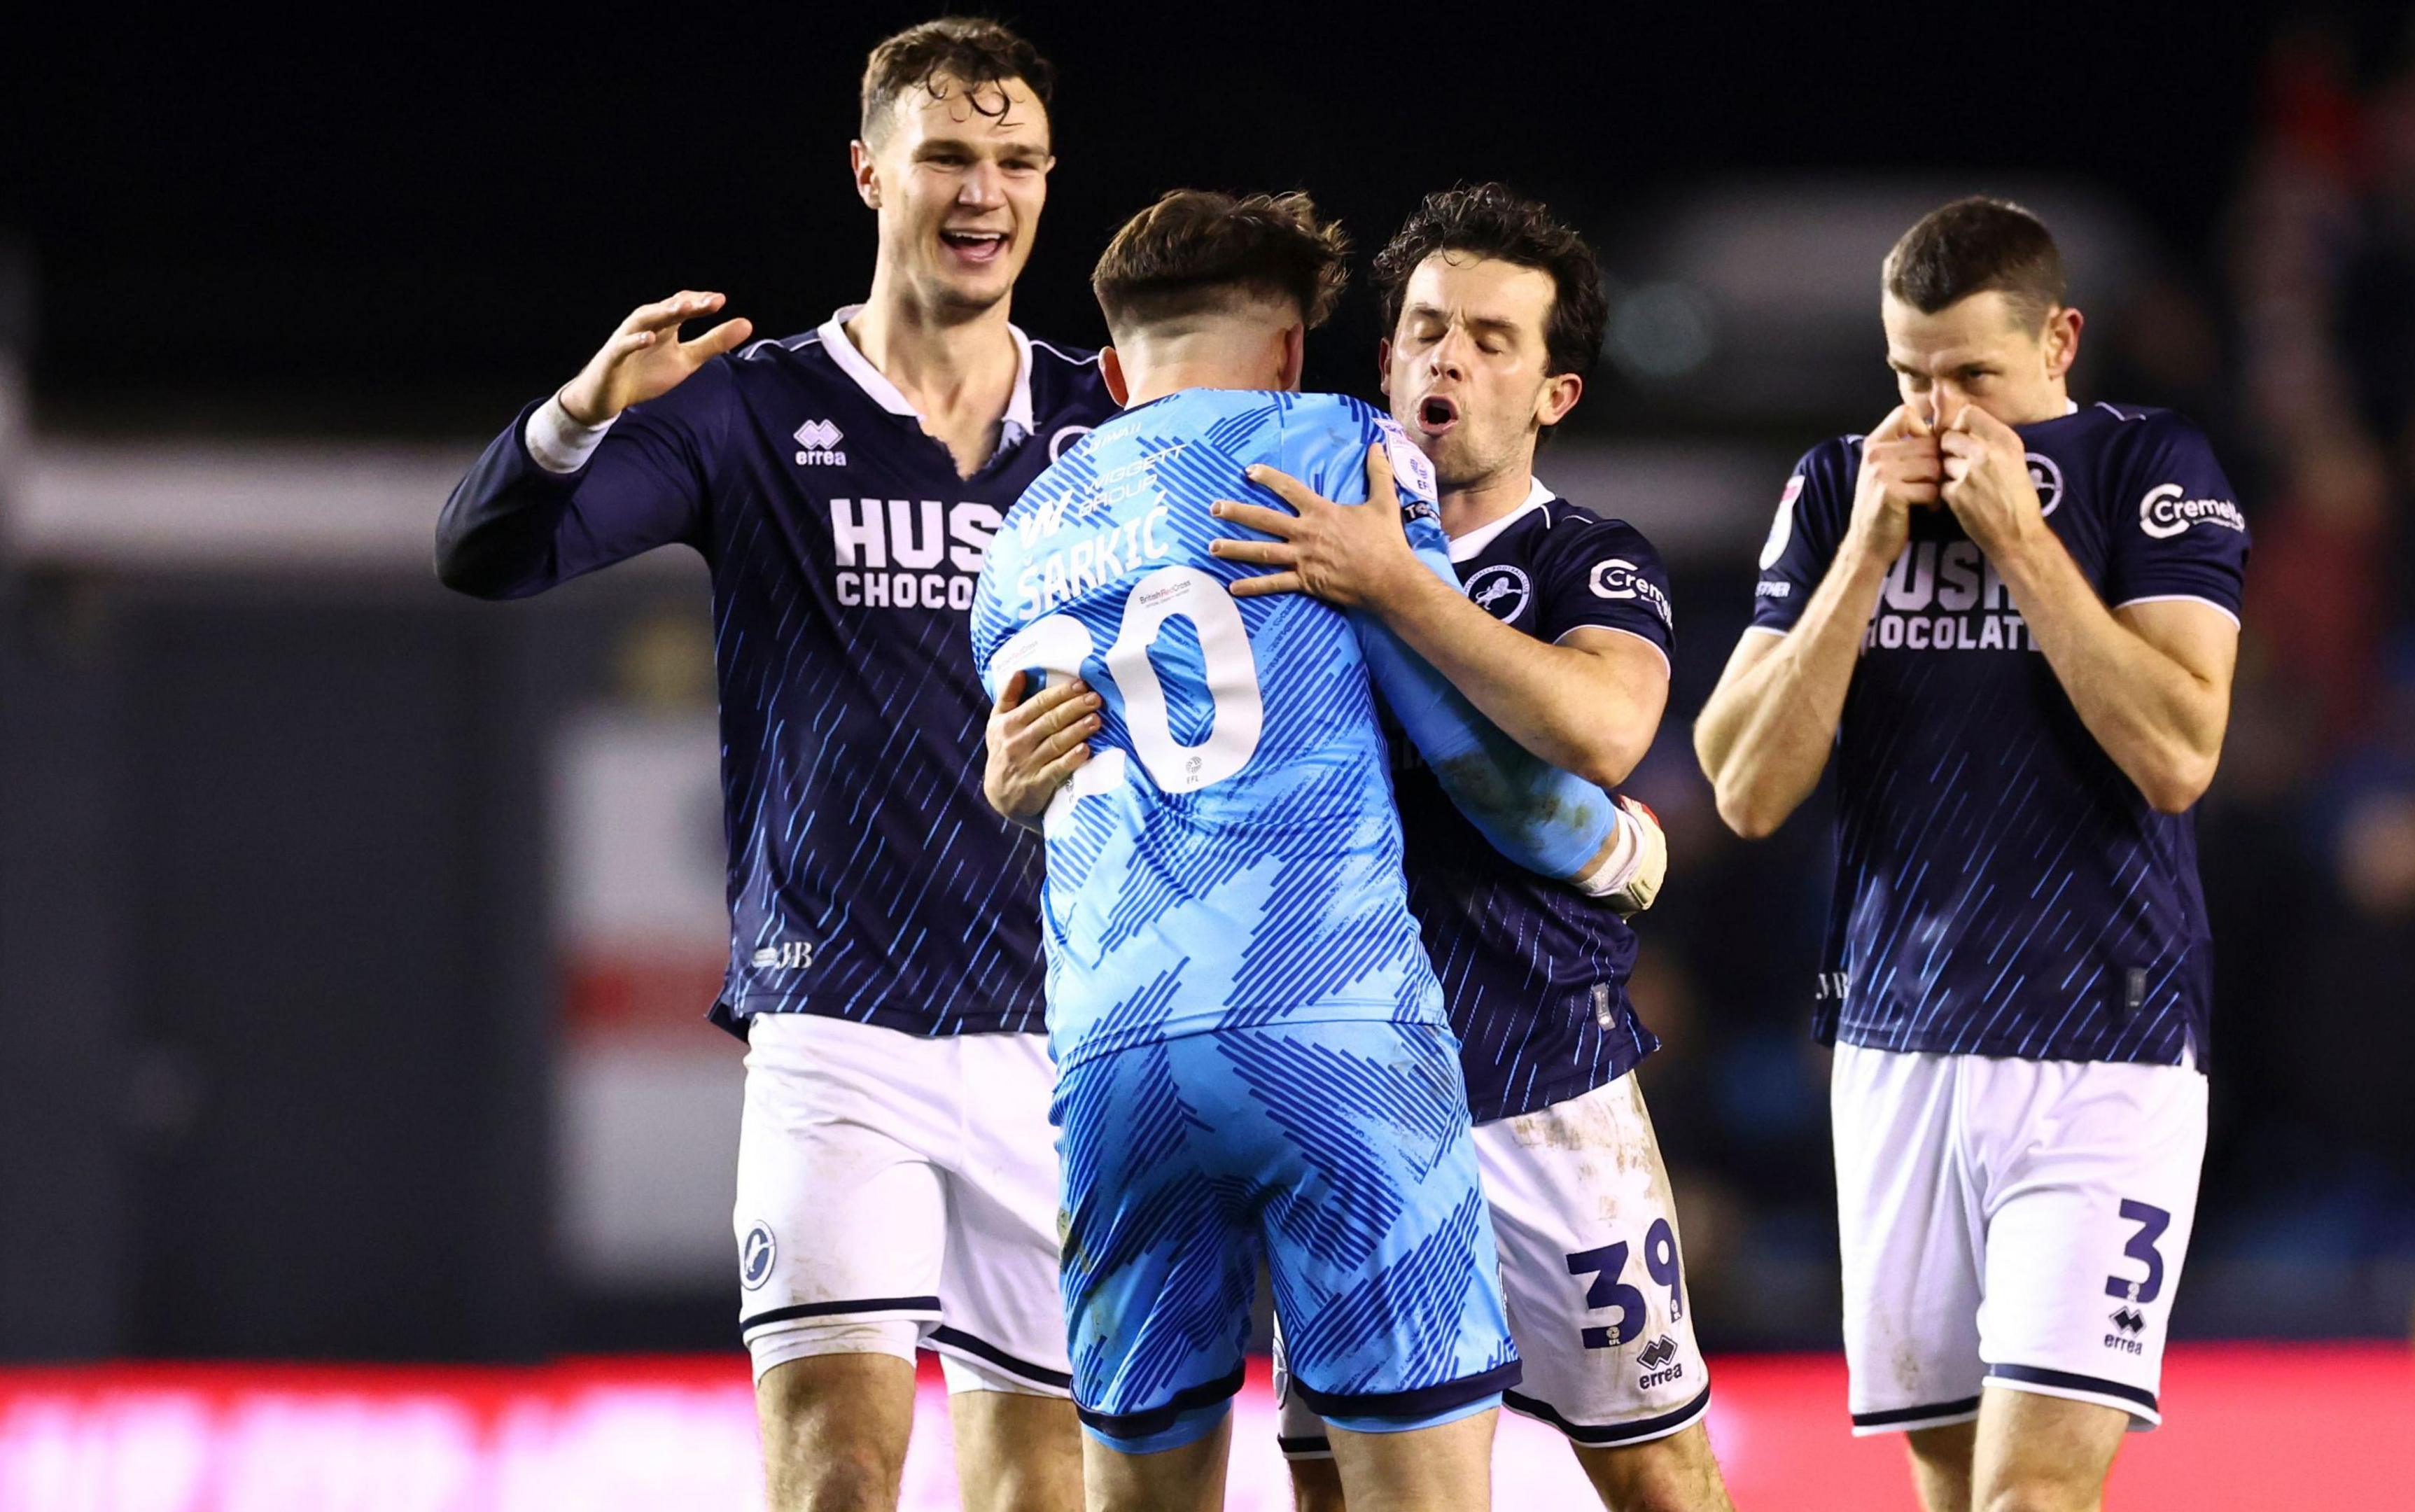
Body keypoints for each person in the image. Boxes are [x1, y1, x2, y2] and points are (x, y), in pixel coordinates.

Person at [433, 21, 1107, 1511]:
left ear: (1050, 183)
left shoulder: (1106, 427)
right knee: (837, 1482)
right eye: (947, 156)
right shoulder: (755, 409)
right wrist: (582, 410)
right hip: (835, 1031)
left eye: (1015, 161)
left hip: (1062, 1038)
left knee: (1046, 1489)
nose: (982, 191)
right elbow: (485, 555)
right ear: (872, 174)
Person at [969, 188, 1657, 1512]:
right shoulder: (1338, 447)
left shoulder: (1027, 528)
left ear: (1113, 368)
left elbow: (1034, 771)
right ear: (1294, 349)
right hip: (1331, 1033)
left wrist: (1006, 787)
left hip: (1113, 1057)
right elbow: (1485, 769)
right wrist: (1618, 856)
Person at [1693, 197, 2250, 1512]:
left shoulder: (2147, 469)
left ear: (2059, 341)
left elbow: (2179, 749)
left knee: (2034, 1491)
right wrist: (1868, 555)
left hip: (2106, 1040)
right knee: (1951, 1486)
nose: (1935, 417)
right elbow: (1744, 785)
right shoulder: (1840, 489)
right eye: (1908, 377)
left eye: (1971, 378)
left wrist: (2018, 537)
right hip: (1896, 1045)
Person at [1198, 183, 1733, 1510]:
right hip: (1347, 1100)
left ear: (1555, 394)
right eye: (1426, 328)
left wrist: (1395, 585)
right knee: (1334, 1489)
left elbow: (1604, 729)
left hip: (1541, 1087)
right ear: (1382, 360)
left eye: (1494, 339)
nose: (1449, 356)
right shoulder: (1285, 542)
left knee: (1660, 1477)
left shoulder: (1589, 558)